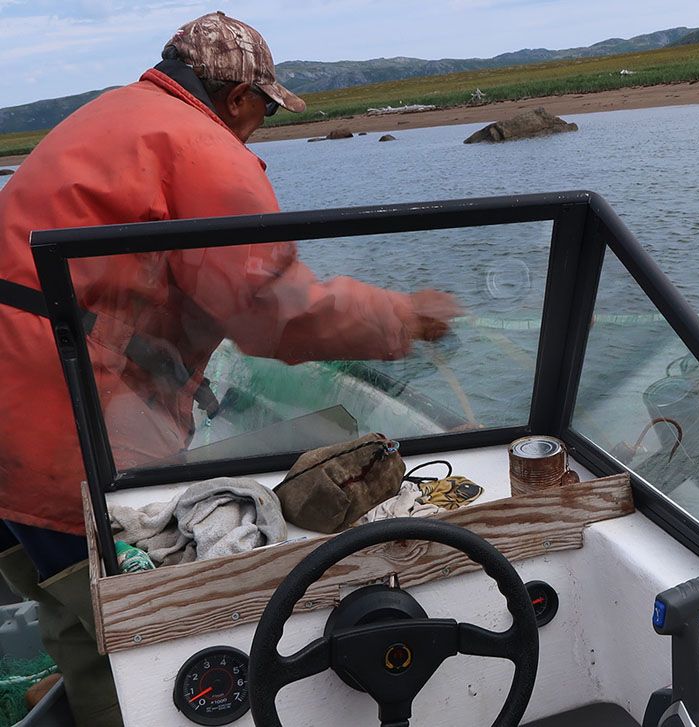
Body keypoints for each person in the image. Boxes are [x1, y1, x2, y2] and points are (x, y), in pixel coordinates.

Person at [0, 12, 459, 726]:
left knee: (64, 598)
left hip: (16, 404)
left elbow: (120, 278)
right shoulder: (200, 147)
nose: (260, 126)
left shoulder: (117, 115)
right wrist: (399, 318)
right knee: (136, 623)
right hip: (52, 423)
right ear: (240, 97)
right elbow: (273, 309)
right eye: (265, 110)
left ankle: (84, 690)